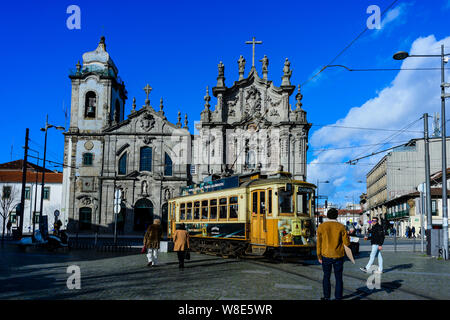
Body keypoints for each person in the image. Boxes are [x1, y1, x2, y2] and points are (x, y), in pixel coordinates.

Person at [316, 208, 350, 300]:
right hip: (338, 255)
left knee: (326, 276)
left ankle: (327, 297)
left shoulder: (321, 226)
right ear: (336, 216)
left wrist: (319, 256)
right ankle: (338, 297)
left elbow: (319, 243)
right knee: (338, 278)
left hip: (326, 255)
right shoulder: (341, 227)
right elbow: (346, 243)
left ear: (327, 216)